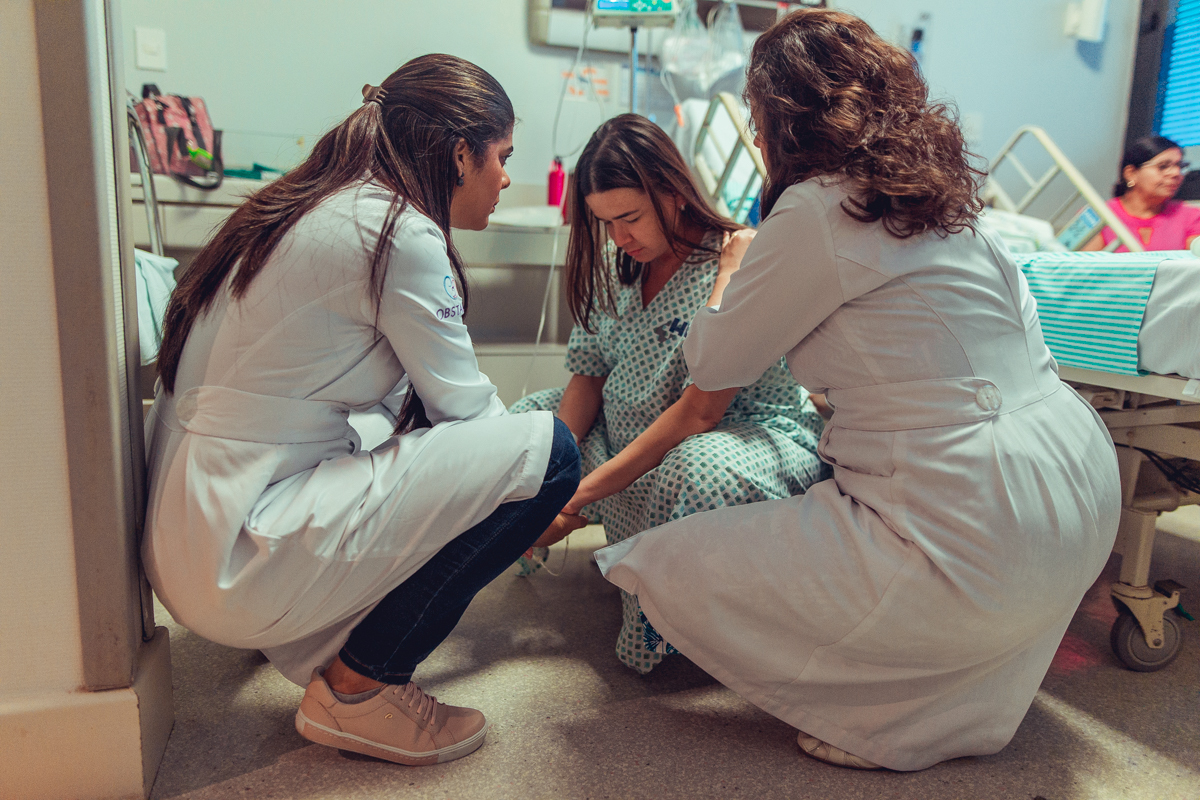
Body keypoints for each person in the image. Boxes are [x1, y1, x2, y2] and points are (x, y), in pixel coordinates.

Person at [595, 10, 1120, 771]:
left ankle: (894, 720)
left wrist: (733, 267)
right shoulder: (949, 205)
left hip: (974, 510)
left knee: (678, 561)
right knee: (946, 575)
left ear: (779, 117)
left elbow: (710, 371)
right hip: (1079, 484)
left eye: (754, 114)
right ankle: (953, 704)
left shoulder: (815, 208)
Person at [142, 54, 583, 767]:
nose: (505, 177)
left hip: (187, 535)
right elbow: (469, 415)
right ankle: (360, 689)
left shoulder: (319, 202)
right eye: (502, 157)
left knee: (394, 426)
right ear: (460, 153)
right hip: (234, 550)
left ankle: (307, 630)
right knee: (552, 455)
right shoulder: (399, 234)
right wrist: (541, 501)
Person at [512, 114, 829, 674]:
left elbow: (697, 415)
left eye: (630, 218)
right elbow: (587, 378)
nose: (620, 238)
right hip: (633, 430)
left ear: (674, 192)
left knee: (694, 466)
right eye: (605, 223)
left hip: (737, 434)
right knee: (526, 425)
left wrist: (573, 498)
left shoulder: (735, 261)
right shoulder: (617, 266)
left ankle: (676, 633)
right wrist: (551, 471)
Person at [1082, 135, 1200, 252]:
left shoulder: (1191, 216)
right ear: (1131, 173)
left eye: (1180, 166)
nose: (1176, 173)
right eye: (1163, 166)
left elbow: (1191, 267)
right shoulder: (1096, 215)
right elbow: (1082, 266)